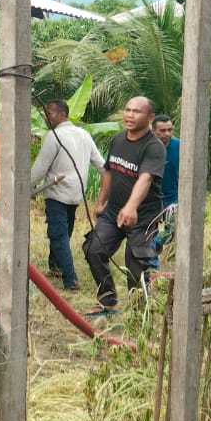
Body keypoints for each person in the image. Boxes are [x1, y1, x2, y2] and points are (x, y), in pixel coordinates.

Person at [84, 96, 166, 315]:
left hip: (143, 218)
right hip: (113, 212)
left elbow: (145, 178)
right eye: (127, 110)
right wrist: (101, 202)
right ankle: (107, 300)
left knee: (136, 264)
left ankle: (140, 315)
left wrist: (131, 207)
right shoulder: (119, 139)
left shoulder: (154, 147)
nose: (130, 115)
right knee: (94, 249)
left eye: (136, 111)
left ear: (150, 118)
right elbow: (110, 170)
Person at [31, 99, 105, 291]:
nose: (47, 117)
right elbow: (102, 165)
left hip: (57, 193)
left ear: (62, 114)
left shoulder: (54, 136)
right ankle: (55, 268)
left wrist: (25, 188)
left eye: (50, 113)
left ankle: (70, 280)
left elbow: (40, 168)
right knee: (64, 232)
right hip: (76, 193)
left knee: (59, 235)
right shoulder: (84, 134)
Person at [151, 115, 179, 257]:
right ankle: (150, 257)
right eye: (162, 130)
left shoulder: (179, 146)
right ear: (153, 130)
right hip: (151, 197)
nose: (166, 134)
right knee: (149, 230)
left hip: (173, 197)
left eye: (169, 130)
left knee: (171, 230)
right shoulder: (147, 147)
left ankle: (155, 245)